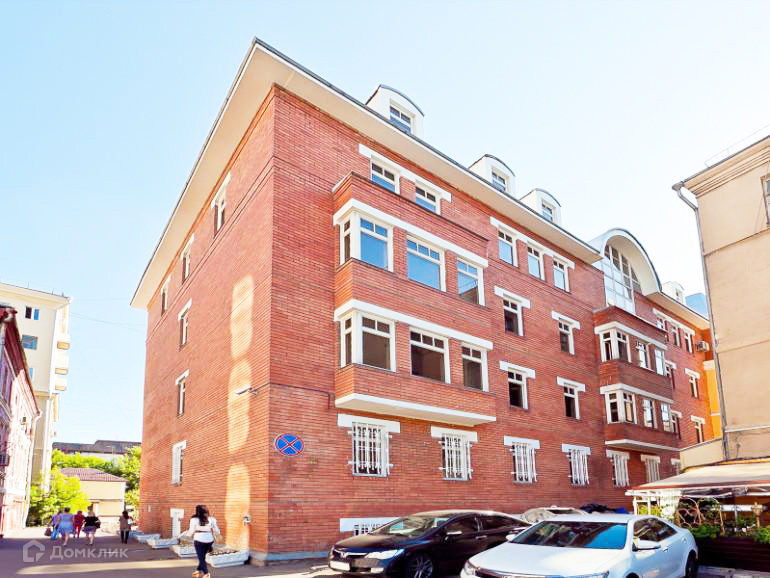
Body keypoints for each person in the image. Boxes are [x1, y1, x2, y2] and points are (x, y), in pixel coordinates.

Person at [184, 505, 220, 578]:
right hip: (209, 540)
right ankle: (198, 571)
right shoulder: (212, 519)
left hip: (199, 540)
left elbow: (191, 531)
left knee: (201, 558)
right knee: (202, 557)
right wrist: (218, 535)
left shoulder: (194, 519)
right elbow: (217, 530)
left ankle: (206, 573)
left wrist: (186, 537)